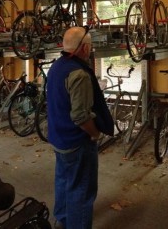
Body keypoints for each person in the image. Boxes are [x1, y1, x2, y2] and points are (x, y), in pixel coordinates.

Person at [47, 26, 114, 229]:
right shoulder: (79, 74)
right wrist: (94, 134)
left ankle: (62, 221)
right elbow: (81, 116)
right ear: (84, 48)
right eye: (90, 46)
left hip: (59, 139)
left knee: (63, 182)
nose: (91, 50)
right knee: (82, 192)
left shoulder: (56, 67)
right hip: (77, 143)